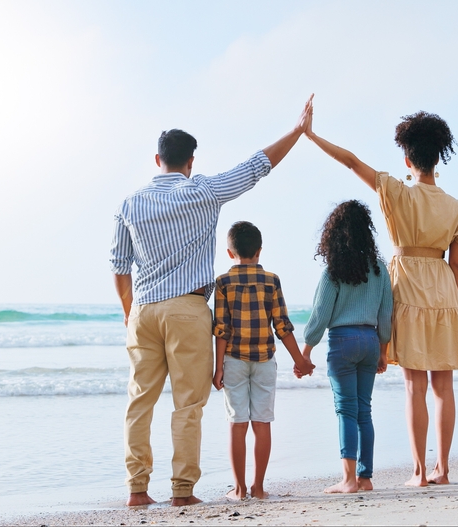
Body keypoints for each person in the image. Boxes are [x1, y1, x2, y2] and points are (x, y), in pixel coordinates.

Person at [109, 96, 314, 506]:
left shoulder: (129, 203)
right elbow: (256, 167)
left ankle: (137, 489)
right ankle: (182, 491)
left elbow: (119, 266)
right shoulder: (203, 191)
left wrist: (130, 313)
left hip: (144, 309)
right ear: (190, 162)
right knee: (188, 405)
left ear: (157, 159)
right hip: (187, 309)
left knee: (139, 402)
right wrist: (296, 132)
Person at [304, 106, 458, 487]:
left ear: (407, 158)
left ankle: (419, 473)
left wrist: (312, 136)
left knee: (414, 386)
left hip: (409, 287)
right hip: (444, 292)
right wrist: (452, 303)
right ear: (438, 158)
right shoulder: (457, 207)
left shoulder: (395, 191)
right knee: (443, 387)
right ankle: (442, 470)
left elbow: (351, 162)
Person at [211, 221, 315, 500]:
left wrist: (217, 367)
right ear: (259, 251)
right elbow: (282, 325)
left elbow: (221, 328)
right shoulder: (272, 280)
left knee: (237, 422)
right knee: (262, 422)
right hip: (265, 360)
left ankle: (239, 489)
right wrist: (301, 361)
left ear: (230, 253)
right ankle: (258, 487)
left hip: (233, 359)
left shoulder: (223, 282)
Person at [300, 200, 393, 494]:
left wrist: (306, 350)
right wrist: (383, 350)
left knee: (346, 410)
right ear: (366, 231)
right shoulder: (379, 268)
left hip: (342, 342)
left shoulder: (333, 270)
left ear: (335, 233)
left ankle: (348, 480)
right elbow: (386, 313)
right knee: (364, 410)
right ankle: (365, 478)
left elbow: (320, 314)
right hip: (369, 340)